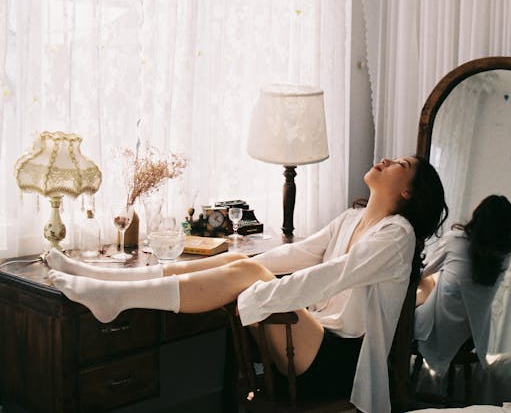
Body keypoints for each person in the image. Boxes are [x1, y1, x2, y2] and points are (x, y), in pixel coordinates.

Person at [46, 155, 447, 413]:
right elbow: (299, 255)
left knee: (249, 273)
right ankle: (108, 280)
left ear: (407, 190)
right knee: (243, 261)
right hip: (317, 342)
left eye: (400, 164)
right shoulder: (350, 219)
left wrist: (258, 292)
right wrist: (245, 269)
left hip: (339, 362)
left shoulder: (398, 234)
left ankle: (114, 294)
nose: (385, 160)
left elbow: (332, 276)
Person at [414, 194, 511, 377]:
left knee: (424, 285)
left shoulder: (456, 240)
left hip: (436, 332)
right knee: (435, 286)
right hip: (470, 340)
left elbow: (421, 272)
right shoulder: (503, 258)